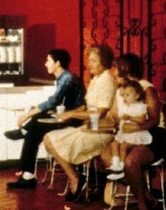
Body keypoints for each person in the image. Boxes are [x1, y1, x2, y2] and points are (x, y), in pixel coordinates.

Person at [42, 44, 117, 201]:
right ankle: (76, 177)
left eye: (93, 61)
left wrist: (71, 114)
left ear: (104, 62)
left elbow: (100, 112)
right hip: (90, 127)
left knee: (52, 140)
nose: (89, 64)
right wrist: (69, 113)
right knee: (49, 138)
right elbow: (87, 105)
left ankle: (76, 179)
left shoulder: (108, 81)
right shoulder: (96, 79)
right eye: (89, 60)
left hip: (102, 131)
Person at [5, 49, 86, 189]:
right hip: (64, 116)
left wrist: (27, 115)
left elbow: (53, 101)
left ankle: (28, 176)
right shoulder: (63, 78)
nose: (45, 63)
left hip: (72, 120)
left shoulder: (68, 79)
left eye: (48, 60)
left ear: (57, 63)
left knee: (35, 124)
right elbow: (56, 104)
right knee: (34, 129)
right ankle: (27, 175)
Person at [99, 53, 164, 210]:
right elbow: (115, 117)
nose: (113, 72)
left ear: (124, 69)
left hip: (150, 134)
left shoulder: (145, 88)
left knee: (130, 163)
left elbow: (154, 120)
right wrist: (96, 123)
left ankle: (142, 205)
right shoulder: (121, 91)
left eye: (115, 68)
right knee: (105, 155)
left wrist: (136, 127)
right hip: (127, 134)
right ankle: (146, 195)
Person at [105, 79, 152, 181]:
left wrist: (130, 118)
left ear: (137, 96)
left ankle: (122, 168)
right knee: (114, 144)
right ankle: (116, 165)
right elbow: (119, 119)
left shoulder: (139, 107)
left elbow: (142, 119)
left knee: (123, 146)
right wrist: (114, 117)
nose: (125, 98)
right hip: (124, 133)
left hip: (136, 133)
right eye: (124, 95)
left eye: (128, 95)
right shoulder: (124, 107)